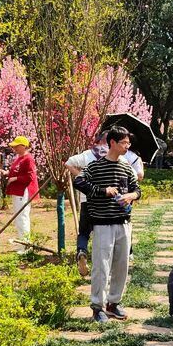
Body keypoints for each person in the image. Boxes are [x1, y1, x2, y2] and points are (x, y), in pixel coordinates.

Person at [73, 126, 141, 323]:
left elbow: (137, 189)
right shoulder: (95, 167)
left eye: (128, 143)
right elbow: (79, 182)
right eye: (124, 143)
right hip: (102, 224)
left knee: (121, 266)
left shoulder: (126, 167)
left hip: (124, 223)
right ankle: (97, 306)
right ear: (112, 142)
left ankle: (114, 303)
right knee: (101, 267)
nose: (127, 146)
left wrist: (131, 196)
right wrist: (103, 191)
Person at [67, 132, 108, 277]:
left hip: (86, 200)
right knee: (102, 234)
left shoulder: (88, 154)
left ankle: (82, 251)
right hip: (105, 201)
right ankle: (100, 262)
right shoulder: (112, 156)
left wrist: (81, 176)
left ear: (98, 140)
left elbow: (68, 163)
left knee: (84, 232)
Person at [6, 136, 39, 252]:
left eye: (16, 146)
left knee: (22, 217)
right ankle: (22, 243)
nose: (14, 148)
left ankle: (26, 245)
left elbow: (30, 176)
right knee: (18, 217)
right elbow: (17, 172)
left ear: (24, 146)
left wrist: (15, 179)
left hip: (23, 191)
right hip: (17, 191)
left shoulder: (28, 159)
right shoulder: (19, 158)